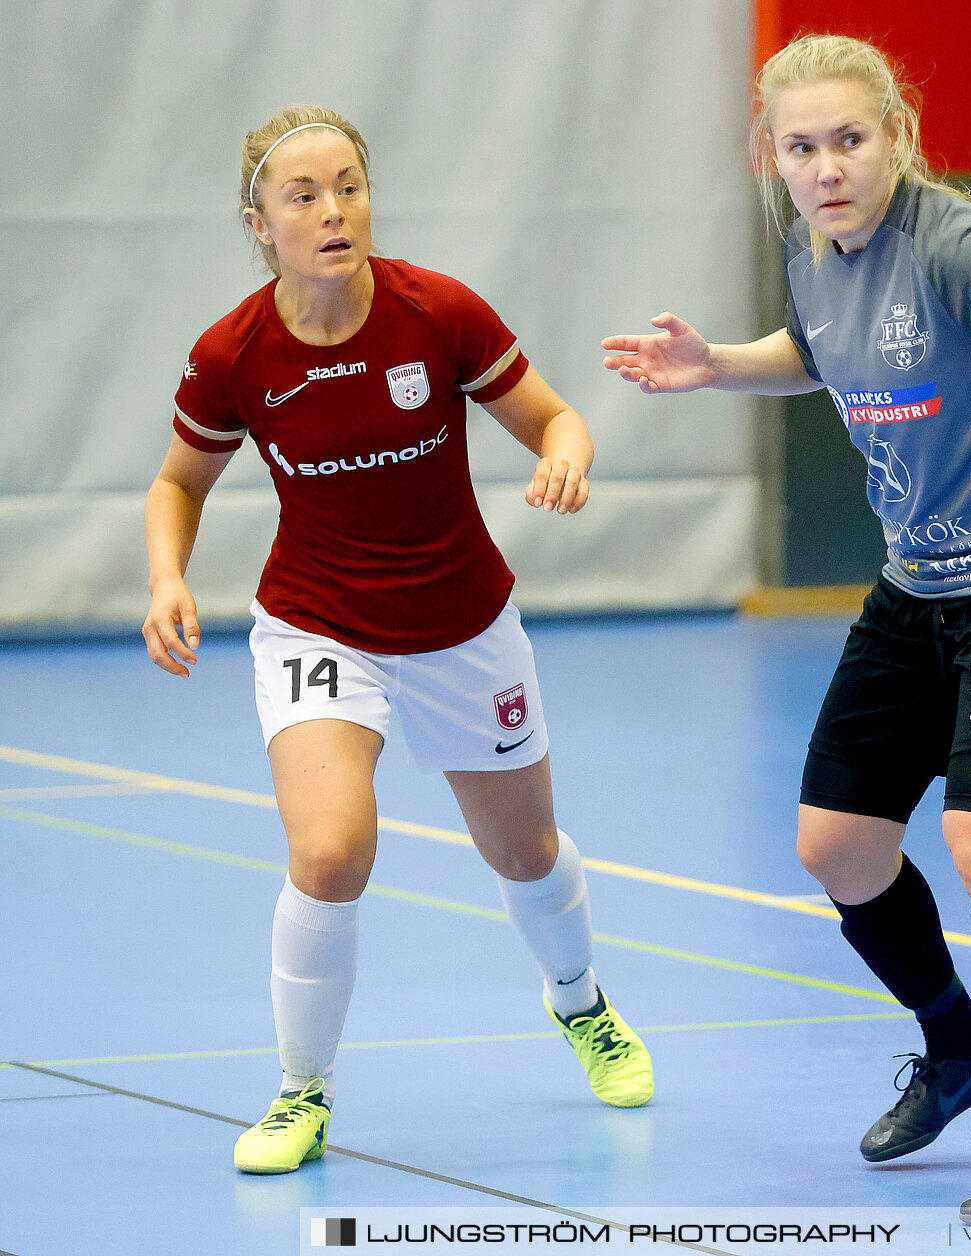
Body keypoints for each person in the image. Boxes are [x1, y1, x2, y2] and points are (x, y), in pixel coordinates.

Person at [601, 35, 971, 1222]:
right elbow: (816, 349)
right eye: (804, 147)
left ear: (896, 133)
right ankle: (959, 1046)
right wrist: (715, 366)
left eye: (851, 138)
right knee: (838, 846)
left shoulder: (961, 244)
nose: (830, 165)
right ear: (775, 159)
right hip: (916, 590)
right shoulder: (812, 254)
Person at [143, 106, 652, 1175]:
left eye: (350, 187)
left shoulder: (438, 314)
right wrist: (165, 575)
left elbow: (558, 418)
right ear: (260, 221)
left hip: (464, 627)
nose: (334, 211)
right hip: (317, 623)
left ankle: (581, 1002)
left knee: (524, 850)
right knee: (329, 850)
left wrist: (565, 454)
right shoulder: (236, 353)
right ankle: (301, 1089)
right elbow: (178, 480)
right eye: (305, 195)